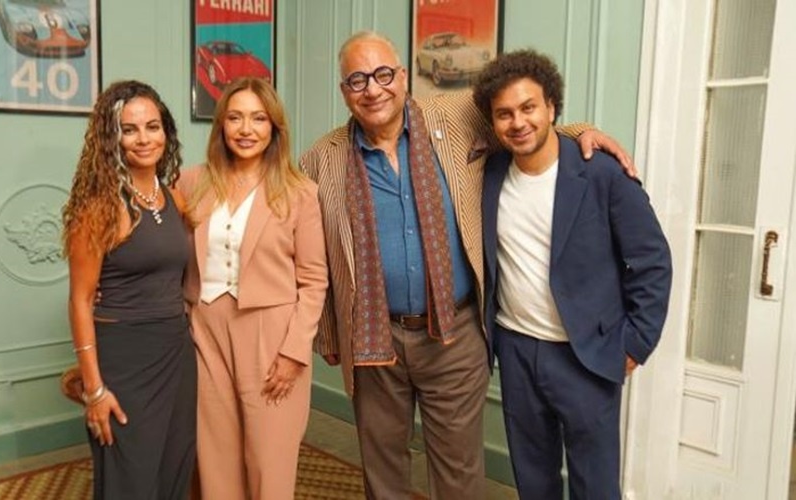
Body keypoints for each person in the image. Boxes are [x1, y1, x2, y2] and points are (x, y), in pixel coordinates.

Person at [298, 31, 634, 499]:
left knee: (459, 475)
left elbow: (521, 123)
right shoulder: (320, 160)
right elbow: (317, 257)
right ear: (344, 91)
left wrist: (581, 132)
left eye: (382, 75)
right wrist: (329, 337)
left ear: (402, 76)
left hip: (454, 336)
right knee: (382, 470)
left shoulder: (454, 115)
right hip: (373, 341)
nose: (372, 89)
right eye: (357, 80)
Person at [474, 49, 673, 499]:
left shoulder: (602, 172)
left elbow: (652, 261)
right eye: (504, 113)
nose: (518, 122)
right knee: (534, 482)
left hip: (587, 356)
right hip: (517, 350)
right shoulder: (490, 173)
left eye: (528, 107)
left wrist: (635, 344)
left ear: (551, 107)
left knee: (595, 486)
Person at [178, 77, 328, 500]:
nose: (246, 129)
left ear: (274, 127)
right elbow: (160, 248)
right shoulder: (191, 182)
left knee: (268, 458)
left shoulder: (300, 192)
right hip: (204, 331)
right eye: (235, 118)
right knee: (215, 455)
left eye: (258, 119)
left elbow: (314, 280)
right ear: (221, 125)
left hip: (271, 335)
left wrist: (294, 351)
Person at [62, 80, 196, 499]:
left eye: (153, 127)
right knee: (130, 481)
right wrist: (94, 390)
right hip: (125, 361)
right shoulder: (99, 209)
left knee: (174, 470)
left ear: (166, 132)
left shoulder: (175, 199)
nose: (144, 139)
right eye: (129, 129)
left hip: (176, 354)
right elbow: (80, 301)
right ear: (111, 138)